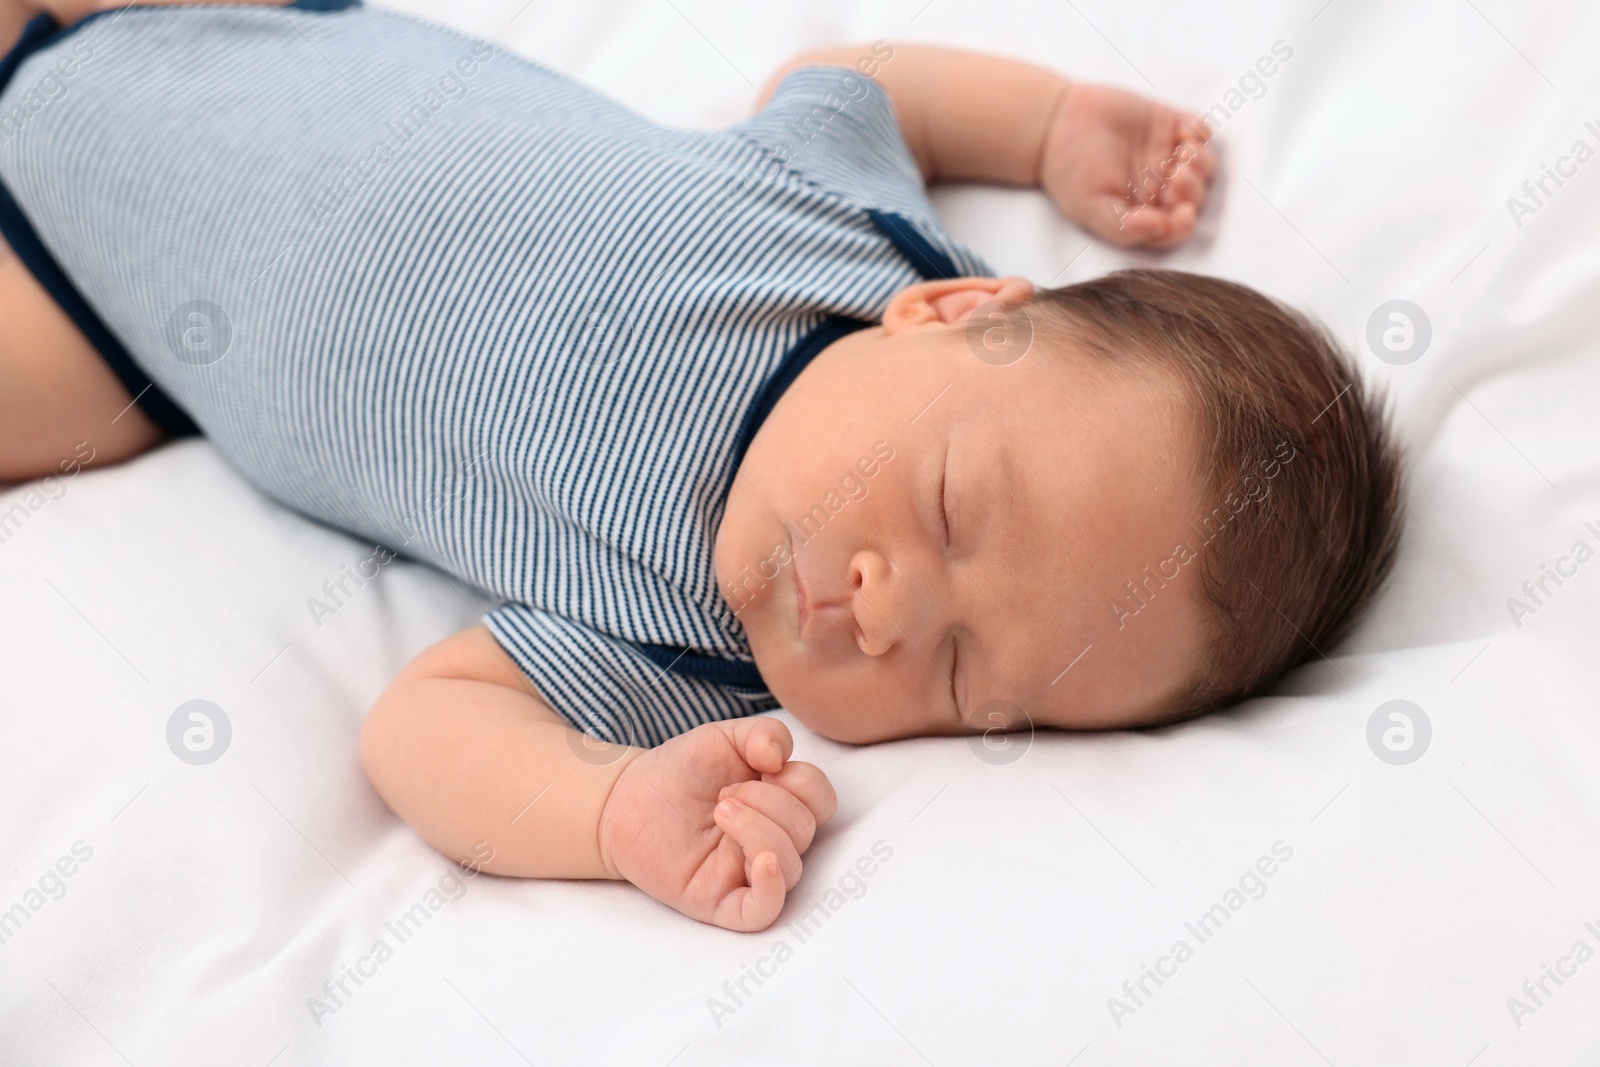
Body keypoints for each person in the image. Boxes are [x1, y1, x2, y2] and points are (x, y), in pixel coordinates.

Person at [0, 0, 1400, 931]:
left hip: (109, 321)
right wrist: (1042, 124)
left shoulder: (692, 654)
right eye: (950, 511)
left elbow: (422, 731)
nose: (894, 614)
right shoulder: (847, 238)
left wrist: (611, 813)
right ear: (960, 313)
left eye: (969, 679)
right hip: (237, 37)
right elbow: (852, 82)